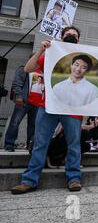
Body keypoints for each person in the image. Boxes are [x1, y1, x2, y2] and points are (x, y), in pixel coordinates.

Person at [11, 27, 86, 194]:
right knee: (40, 143)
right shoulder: (51, 55)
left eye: (74, 35)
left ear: (78, 40)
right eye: (68, 35)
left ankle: (74, 178)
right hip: (49, 107)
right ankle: (29, 180)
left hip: (72, 109)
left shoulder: (84, 57)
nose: (71, 37)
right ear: (61, 37)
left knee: (73, 145)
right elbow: (28, 69)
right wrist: (40, 50)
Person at [3, 61, 38, 153]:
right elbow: (17, 83)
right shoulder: (23, 69)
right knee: (15, 122)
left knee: (33, 125)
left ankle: (30, 145)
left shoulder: (41, 72)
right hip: (23, 101)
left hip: (36, 103)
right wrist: (18, 96)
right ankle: (9, 144)